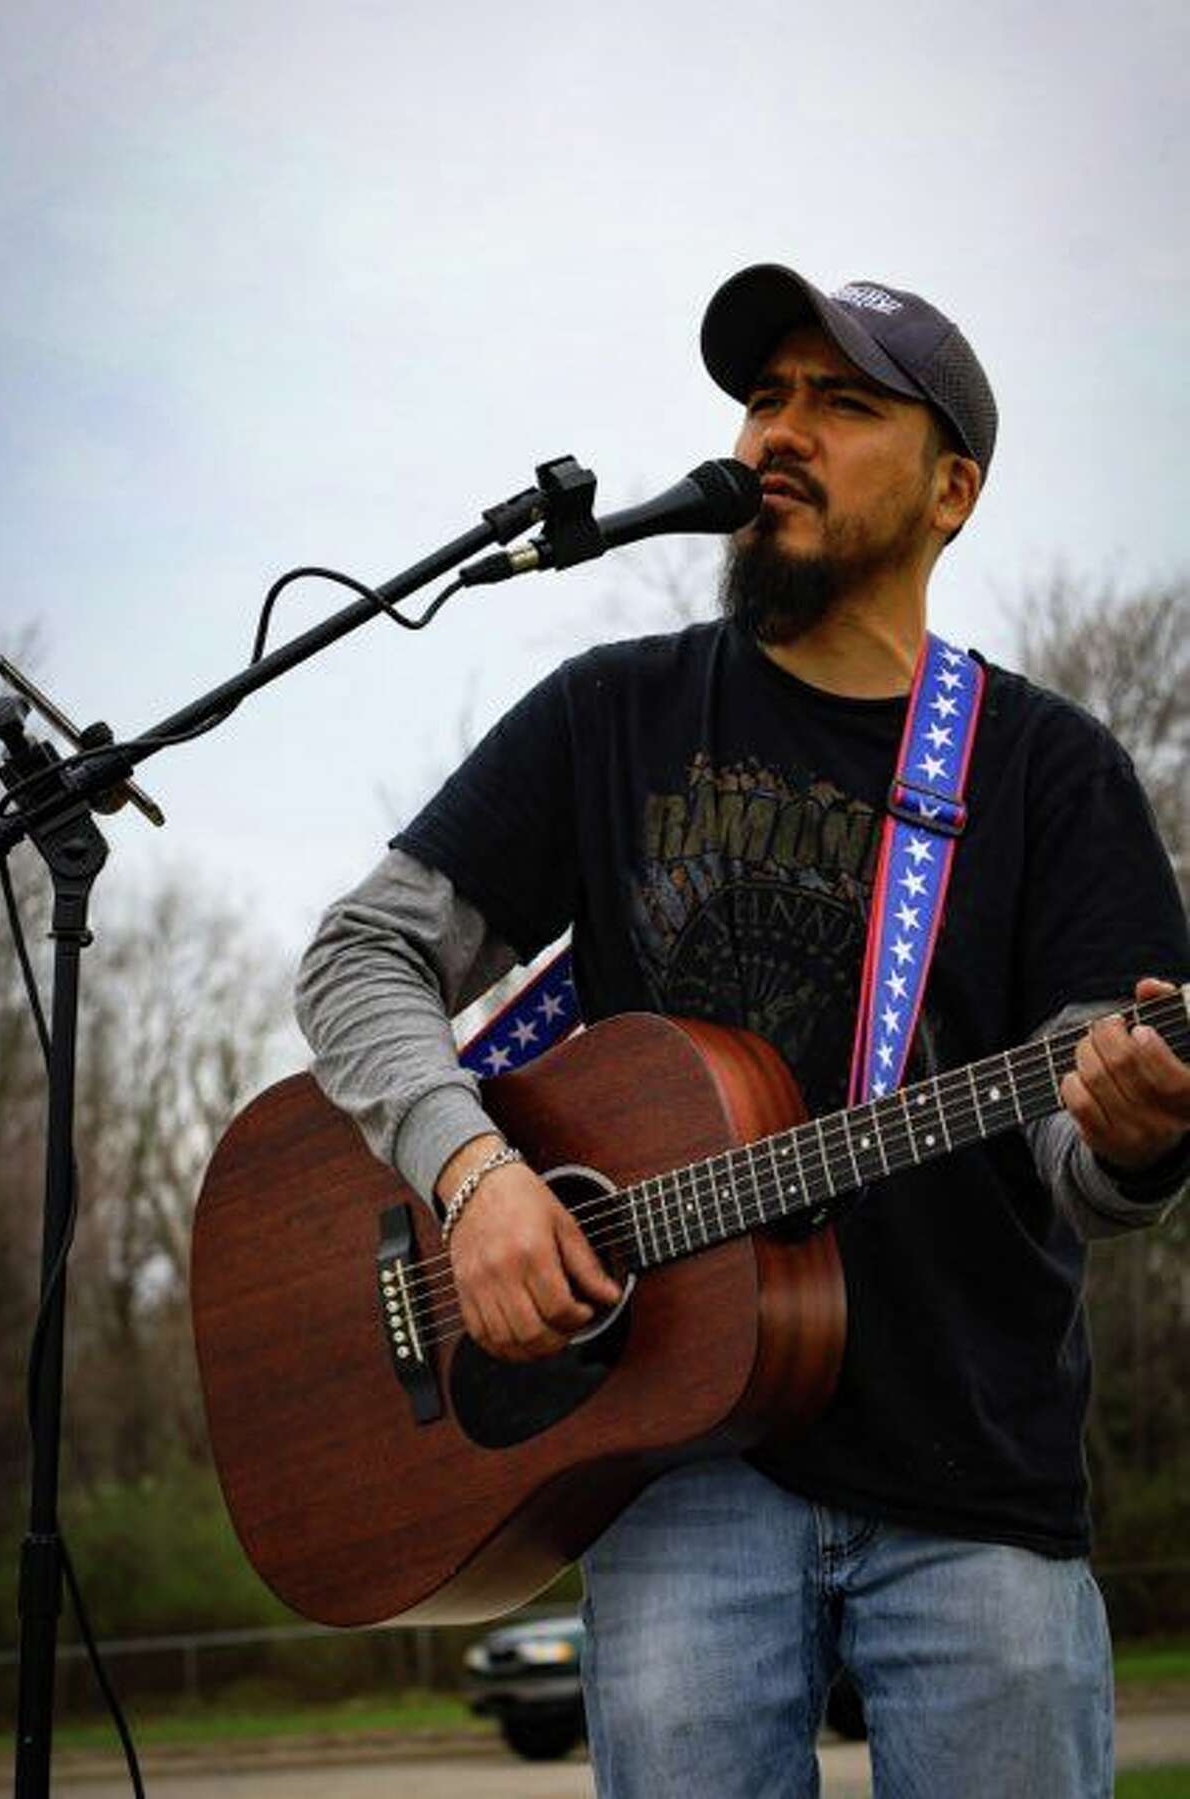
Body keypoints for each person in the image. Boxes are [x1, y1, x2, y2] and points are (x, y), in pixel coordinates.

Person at [295, 263, 1190, 1798]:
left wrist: (1135, 1137)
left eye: (841, 404)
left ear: (952, 488)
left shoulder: (1050, 770)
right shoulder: (612, 714)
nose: (782, 431)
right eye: (765, 396)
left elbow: (1088, 1165)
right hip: (670, 1475)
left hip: (977, 1479)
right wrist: (474, 1177)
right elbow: (362, 954)